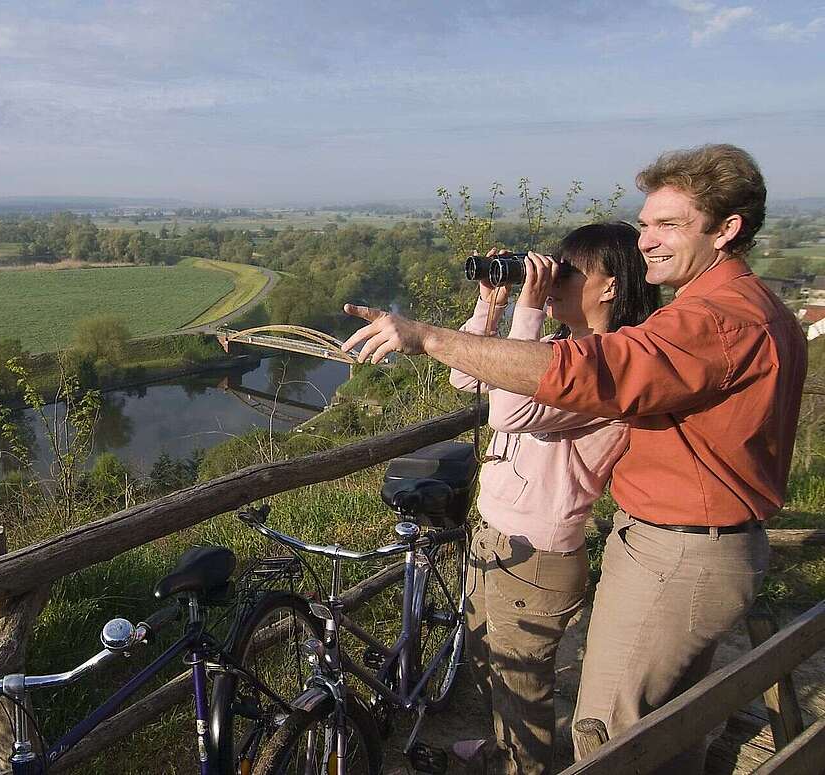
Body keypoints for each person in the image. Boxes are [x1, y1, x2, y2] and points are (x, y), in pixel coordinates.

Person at [341, 144, 807, 774]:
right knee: (671, 722)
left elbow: (569, 376)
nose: (647, 240)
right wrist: (495, 307)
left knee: (611, 736)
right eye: (644, 223)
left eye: (668, 224)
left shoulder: (714, 321)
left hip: (679, 552)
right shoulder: (740, 307)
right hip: (689, 544)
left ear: (726, 230)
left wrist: (425, 334)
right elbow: (497, 378)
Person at [450, 223, 660, 775]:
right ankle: (502, 752)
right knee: (490, 667)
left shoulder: (609, 365)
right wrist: (489, 309)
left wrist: (529, 309)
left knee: (524, 692)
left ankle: (526, 766)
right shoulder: (558, 350)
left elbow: (508, 410)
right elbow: (465, 378)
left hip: (537, 552)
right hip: (495, 534)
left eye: (570, 273)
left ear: (610, 286)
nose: (555, 282)